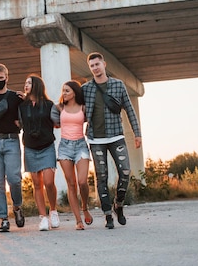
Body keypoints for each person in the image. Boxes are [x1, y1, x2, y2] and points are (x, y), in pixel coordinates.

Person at [82, 52, 142, 229]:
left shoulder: (118, 85)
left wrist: (137, 133)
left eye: (97, 64)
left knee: (125, 172)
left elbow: (129, 110)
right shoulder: (86, 88)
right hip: (95, 138)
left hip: (116, 135)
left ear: (104, 64)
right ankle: (108, 215)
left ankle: (119, 204)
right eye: (92, 66)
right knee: (102, 176)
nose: (95, 68)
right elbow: (72, 105)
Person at [0, 63, 24, 232]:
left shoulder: (16, 97)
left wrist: (28, 97)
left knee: (14, 178)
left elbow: (26, 115)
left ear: (7, 78)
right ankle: (3, 219)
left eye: (1, 78)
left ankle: (17, 207)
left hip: (12, 141)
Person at [18, 74, 58, 231]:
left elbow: (57, 122)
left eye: (29, 83)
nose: (26, 85)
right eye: (25, 82)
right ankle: (43, 217)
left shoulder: (49, 104)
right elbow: (19, 122)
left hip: (47, 146)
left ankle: (53, 211)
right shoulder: (22, 106)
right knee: (37, 184)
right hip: (30, 147)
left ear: (37, 85)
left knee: (48, 182)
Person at [52, 80, 92, 230]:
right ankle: (78, 221)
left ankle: (85, 207)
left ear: (75, 92)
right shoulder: (59, 108)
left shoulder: (83, 108)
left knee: (82, 181)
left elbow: (92, 120)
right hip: (64, 147)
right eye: (63, 90)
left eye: (67, 90)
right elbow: (52, 120)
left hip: (81, 145)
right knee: (71, 184)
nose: (64, 93)